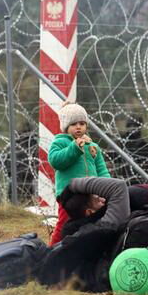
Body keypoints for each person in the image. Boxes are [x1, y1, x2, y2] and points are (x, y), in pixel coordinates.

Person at [48, 102, 111, 245]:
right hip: (69, 195)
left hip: (90, 194)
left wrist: (107, 187)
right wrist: (74, 148)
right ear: (66, 127)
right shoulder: (60, 142)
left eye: (82, 123)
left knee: (88, 222)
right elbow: (56, 161)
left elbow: (101, 169)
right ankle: (51, 250)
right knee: (65, 223)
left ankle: (78, 247)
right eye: (74, 124)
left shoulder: (92, 146)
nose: (78, 127)